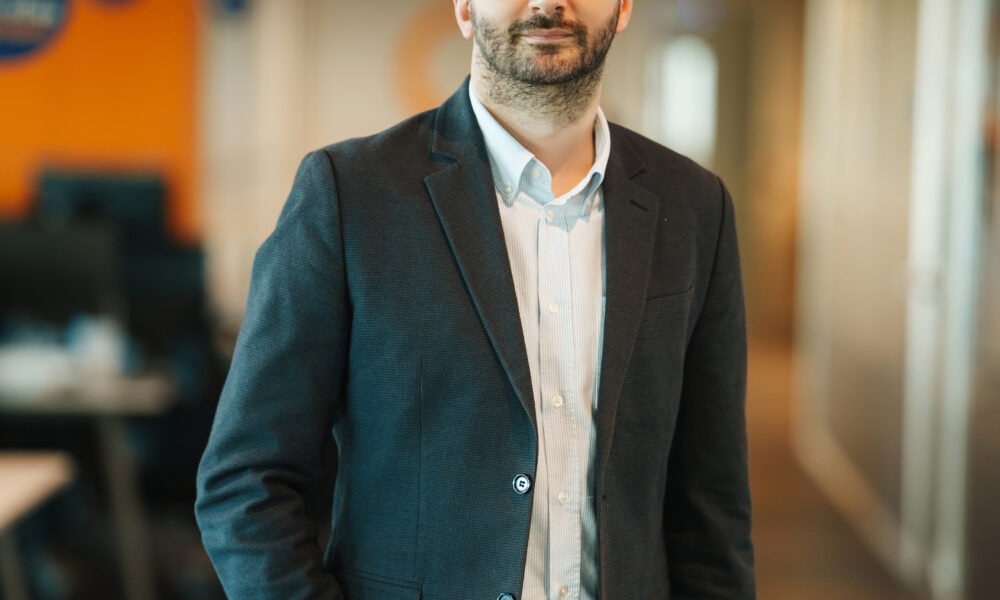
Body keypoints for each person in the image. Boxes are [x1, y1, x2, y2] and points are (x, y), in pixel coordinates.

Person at [195, 0, 755, 598]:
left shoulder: (696, 208)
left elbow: (712, 507)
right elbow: (246, 483)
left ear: (622, 7)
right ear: (464, 7)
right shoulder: (349, 195)